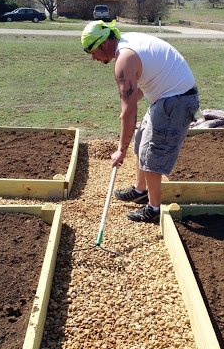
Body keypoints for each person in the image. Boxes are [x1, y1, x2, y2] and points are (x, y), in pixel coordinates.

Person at [81, 20, 199, 223]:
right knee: (142, 138)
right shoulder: (127, 44)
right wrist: (127, 108)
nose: (93, 58)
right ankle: (140, 190)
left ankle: (153, 209)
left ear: (103, 44)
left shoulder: (123, 60)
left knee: (152, 152)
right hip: (168, 96)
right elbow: (147, 81)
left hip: (177, 101)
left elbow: (130, 112)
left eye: (92, 52)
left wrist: (121, 149)